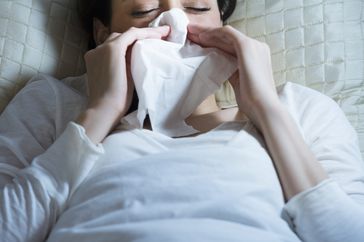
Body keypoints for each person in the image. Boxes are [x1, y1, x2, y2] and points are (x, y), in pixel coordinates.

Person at [0, 0, 363, 241]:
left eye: (197, 6)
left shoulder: (298, 108)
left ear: (223, 22)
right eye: (143, 10)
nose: (173, 23)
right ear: (102, 35)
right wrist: (101, 111)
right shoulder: (56, 104)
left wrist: (265, 108)